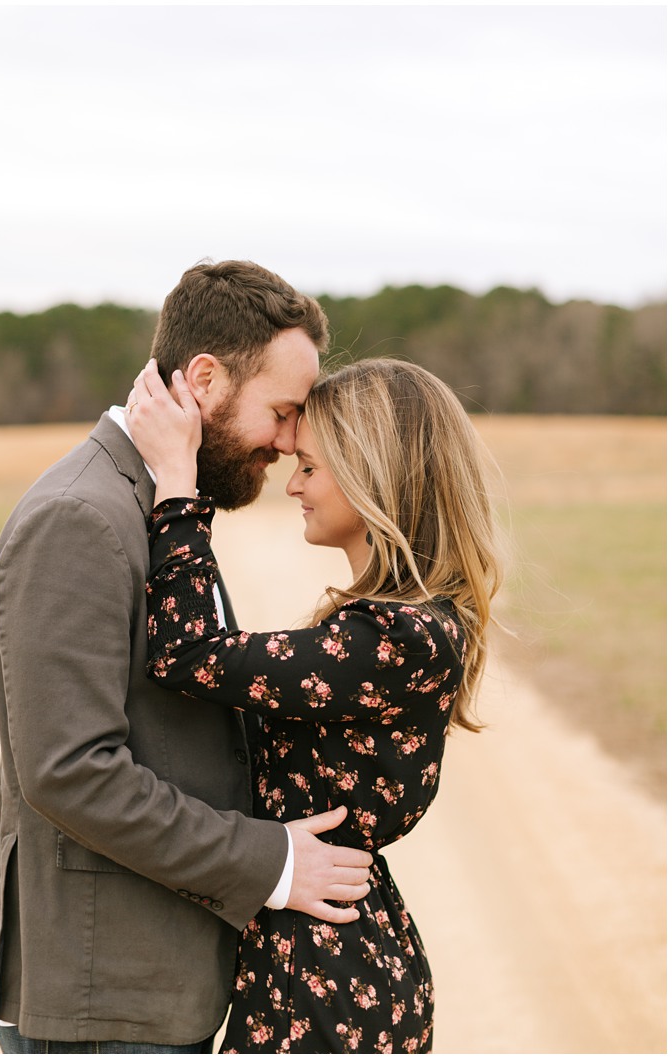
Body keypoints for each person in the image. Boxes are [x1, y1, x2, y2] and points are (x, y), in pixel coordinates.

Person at [0, 260, 376, 1053]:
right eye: (283, 411)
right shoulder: (79, 516)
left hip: (144, 984)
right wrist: (272, 863)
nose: (291, 441)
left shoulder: (152, 497)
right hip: (104, 1001)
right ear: (204, 378)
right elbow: (68, 769)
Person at [126, 356, 503, 1052]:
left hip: (327, 984)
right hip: (320, 958)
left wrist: (177, 482)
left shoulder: (399, 637)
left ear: (371, 477)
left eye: (310, 466)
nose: (293, 484)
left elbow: (191, 652)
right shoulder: (401, 624)